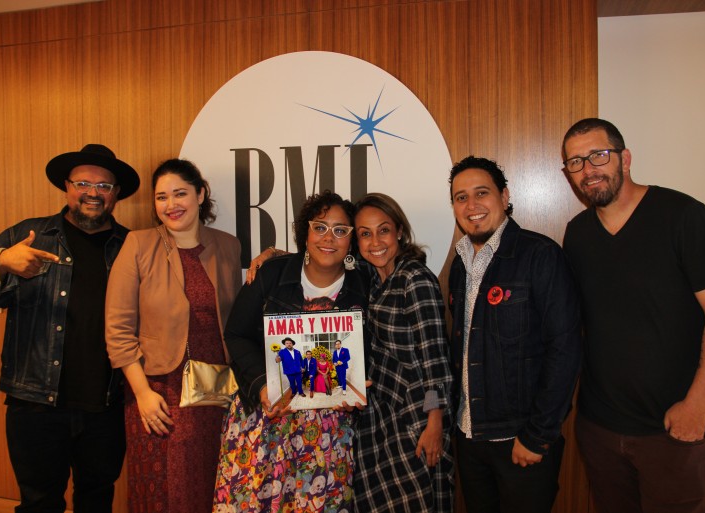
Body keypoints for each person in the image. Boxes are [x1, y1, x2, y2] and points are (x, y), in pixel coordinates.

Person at [561, 118, 705, 513]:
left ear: (624, 158)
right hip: (601, 428)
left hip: (675, 428)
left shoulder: (684, 216)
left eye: (598, 156)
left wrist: (697, 405)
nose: (587, 170)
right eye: (575, 162)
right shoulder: (577, 234)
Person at [0, 144, 139, 512]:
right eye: (83, 182)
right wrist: (2, 263)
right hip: (35, 404)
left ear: (116, 195)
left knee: (96, 500)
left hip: (106, 404)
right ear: (67, 187)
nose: (92, 192)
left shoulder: (132, 246)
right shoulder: (29, 235)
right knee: (38, 502)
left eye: (104, 186)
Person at [213, 190, 368, 512]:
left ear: (351, 240)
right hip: (265, 417)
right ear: (305, 232)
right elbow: (237, 335)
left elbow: (374, 348)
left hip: (327, 429)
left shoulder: (364, 285)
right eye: (320, 227)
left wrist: (358, 386)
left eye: (341, 230)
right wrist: (263, 386)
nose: (329, 238)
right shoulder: (271, 273)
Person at [105, 158, 242, 513]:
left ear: (200, 194)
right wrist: (142, 393)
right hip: (158, 391)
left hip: (215, 392)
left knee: (212, 482)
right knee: (163, 492)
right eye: (162, 197)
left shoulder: (228, 246)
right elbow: (118, 330)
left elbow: (236, 320)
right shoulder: (138, 244)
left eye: (180, 193)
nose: (171, 205)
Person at [448, 156, 582, 513]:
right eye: (461, 197)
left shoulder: (541, 256)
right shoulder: (460, 265)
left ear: (504, 196)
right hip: (469, 436)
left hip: (520, 441)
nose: (471, 206)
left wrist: (537, 435)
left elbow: (565, 350)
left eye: (481, 193)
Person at [351, 192, 455, 512]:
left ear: (399, 231)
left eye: (383, 230)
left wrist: (434, 422)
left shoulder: (414, 278)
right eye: (364, 234)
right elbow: (321, 253)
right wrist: (272, 253)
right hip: (383, 419)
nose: (375, 242)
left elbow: (435, 358)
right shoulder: (373, 278)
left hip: (417, 417)